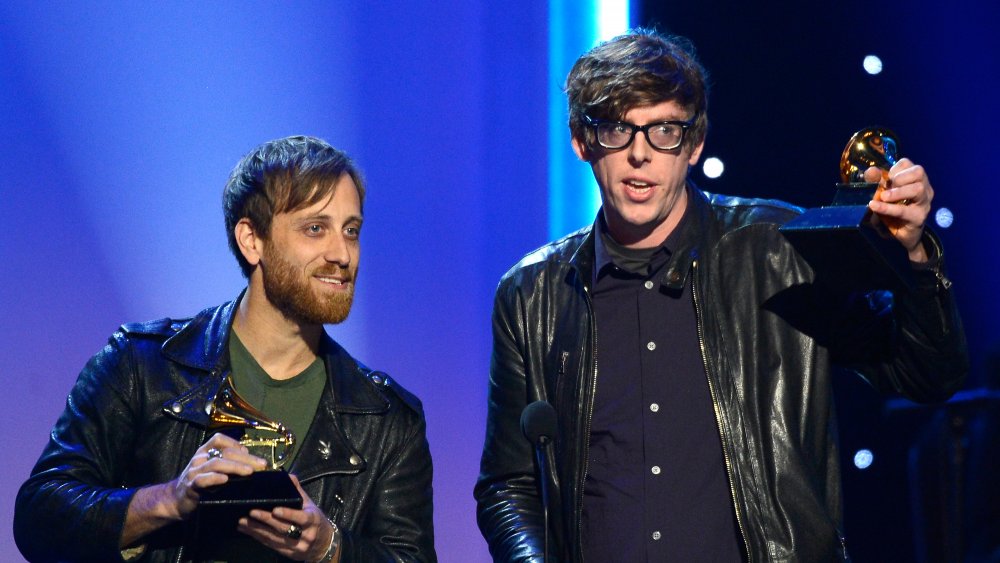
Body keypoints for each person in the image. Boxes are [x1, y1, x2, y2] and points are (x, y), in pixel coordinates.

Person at [474, 29, 967, 561]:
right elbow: (508, 485)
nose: (640, 155)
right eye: (618, 129)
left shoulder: (778, 251)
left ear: (694, 144)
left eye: (664, 130)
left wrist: (915, 261)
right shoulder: (531, 295)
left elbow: (928, 376)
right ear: (582, 140)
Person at [15, 136, 436, 562]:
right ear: (252, 240)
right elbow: (40, 516)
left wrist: (331, 548)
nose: (342, 254)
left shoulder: (386, 420)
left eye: (351, 230)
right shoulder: (143, 367)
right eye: (315, 228)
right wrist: (170, 499)